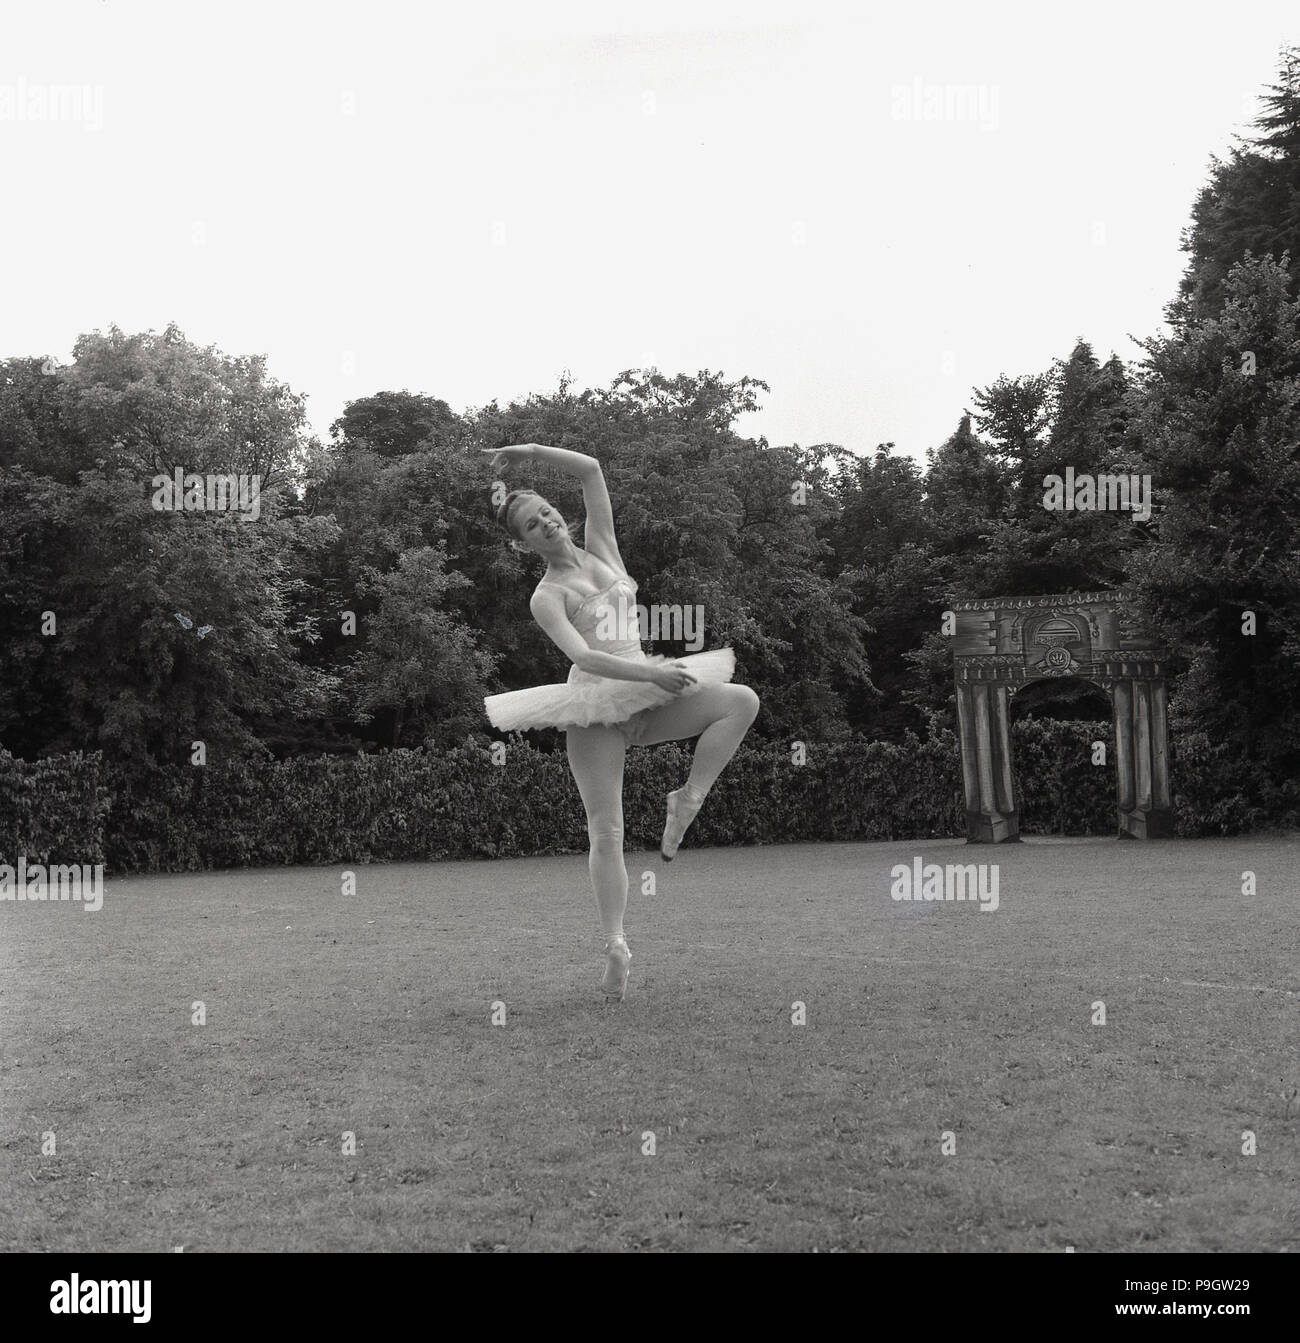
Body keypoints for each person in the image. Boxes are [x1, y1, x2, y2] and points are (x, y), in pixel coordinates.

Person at [482, 442, 760, 1002]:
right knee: (606, 832)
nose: (546, 522)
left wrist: (527, 450)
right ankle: (616, 945)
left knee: (741, 700)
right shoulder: (547, 596)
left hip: (647, 693)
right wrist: (652, 677)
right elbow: (583, 659)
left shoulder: (602, 548)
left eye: (546, 511)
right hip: (595, 712)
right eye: (533, 525)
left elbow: (590, 470)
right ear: (526, 544)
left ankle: (689, 799)